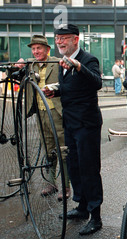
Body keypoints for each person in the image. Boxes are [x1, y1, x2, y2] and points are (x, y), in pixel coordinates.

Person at [44, 24, 103, 235]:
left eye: (64, 39)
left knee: (89, 169)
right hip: (69, 123)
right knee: (75, 166)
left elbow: (96, 83)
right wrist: (54, 90)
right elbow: (71, 88)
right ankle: (81, 207)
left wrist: (78, 66)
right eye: (57, 38)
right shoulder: (62, 63)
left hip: (86, 124)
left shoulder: (88, 60)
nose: (59, 42)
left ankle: (95, 216)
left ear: (75, 40)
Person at [17, 35, 71, 200]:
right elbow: (13, 74)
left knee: (62, 150)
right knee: (48, 149)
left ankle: (66, 186)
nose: (36, 51)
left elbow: (68, 81)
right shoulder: (30, 65)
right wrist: (17, 65)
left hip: (55, 111)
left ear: (47, 49)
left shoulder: (56, 62)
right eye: (33, 49)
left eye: (39, 48)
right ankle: (51, 183)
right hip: (40, 112)